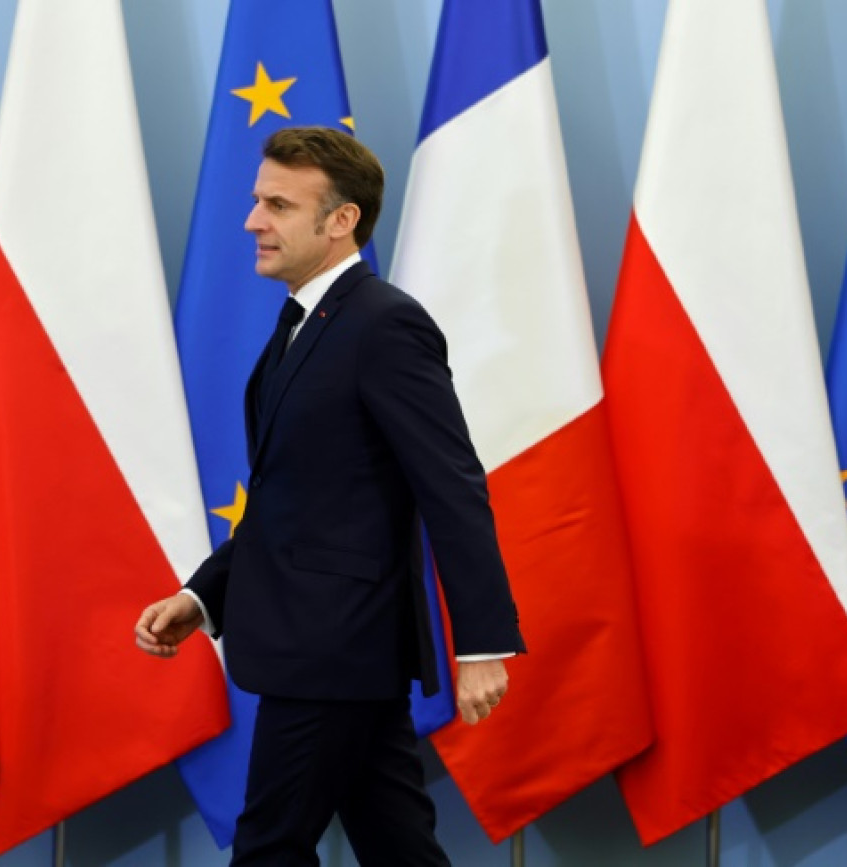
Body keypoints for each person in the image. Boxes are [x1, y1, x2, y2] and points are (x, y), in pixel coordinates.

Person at [134, 126, 524, 866]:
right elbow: (299, 502)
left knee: (269, 849)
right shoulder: (300, 327)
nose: (253, 220)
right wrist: (204, 595)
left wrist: (481, 642)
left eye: (278, 204)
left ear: (342, 220)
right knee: (396, 844)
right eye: (257, 201)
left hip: (333, 644)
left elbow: (452, 486)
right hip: (332, 644)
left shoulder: (385, 325)